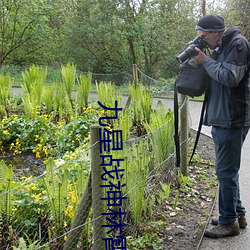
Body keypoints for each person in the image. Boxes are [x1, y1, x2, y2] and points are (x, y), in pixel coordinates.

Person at [192, 15, 250, 238]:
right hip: (222, 117)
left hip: (232, 118)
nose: (203, 41)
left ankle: (228, 223)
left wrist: (205, 61)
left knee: (225, 171)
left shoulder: (238, 44)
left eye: (204, 37)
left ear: (216, 32)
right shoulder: (221, 46)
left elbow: (229, 77)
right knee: (227, 171)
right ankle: (237, 214)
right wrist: (202, 60)